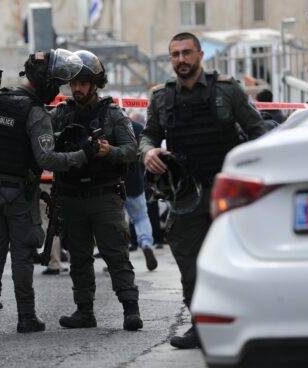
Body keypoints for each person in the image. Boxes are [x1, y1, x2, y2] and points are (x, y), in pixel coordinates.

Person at [140, 32, 267, 349]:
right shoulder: (162, 98)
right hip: (187, 194)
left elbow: (257, 131)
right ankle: (201, 326)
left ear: (200, 55)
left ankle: (248, 321)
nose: (181, 60)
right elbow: (148, 136)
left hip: (228, 191)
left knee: (238, 258)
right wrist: (148, 152)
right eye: (174, 55)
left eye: (186, 53)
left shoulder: (227, 90)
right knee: (190, 263)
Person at [0, 49, 96, 335]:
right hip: (19, 196)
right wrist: (82, 155)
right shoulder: (36, 112)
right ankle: (26, 318)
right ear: (46, 82)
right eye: (58, 83)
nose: (59, 89)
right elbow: (46, 159)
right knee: (22, 256)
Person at [50, 50, 143, 332]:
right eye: (73, 83)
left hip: (104, 196)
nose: (77, 88)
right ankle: (84, 311)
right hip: (71, 195)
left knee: (116, 255)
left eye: (83, 83)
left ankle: (130, 309)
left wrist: (108, 151)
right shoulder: (60, 114)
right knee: (78, 258)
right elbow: (43, 146)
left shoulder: (112, 114)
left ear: (95, 84)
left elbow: (131, 150)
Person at [123, 117, 157, 271]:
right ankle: (145, 243)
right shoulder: (137, 127)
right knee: (141, 217)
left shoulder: (106, 125)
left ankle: (120, 256)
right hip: (135, 180)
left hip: (113, 183)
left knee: (117, 221)